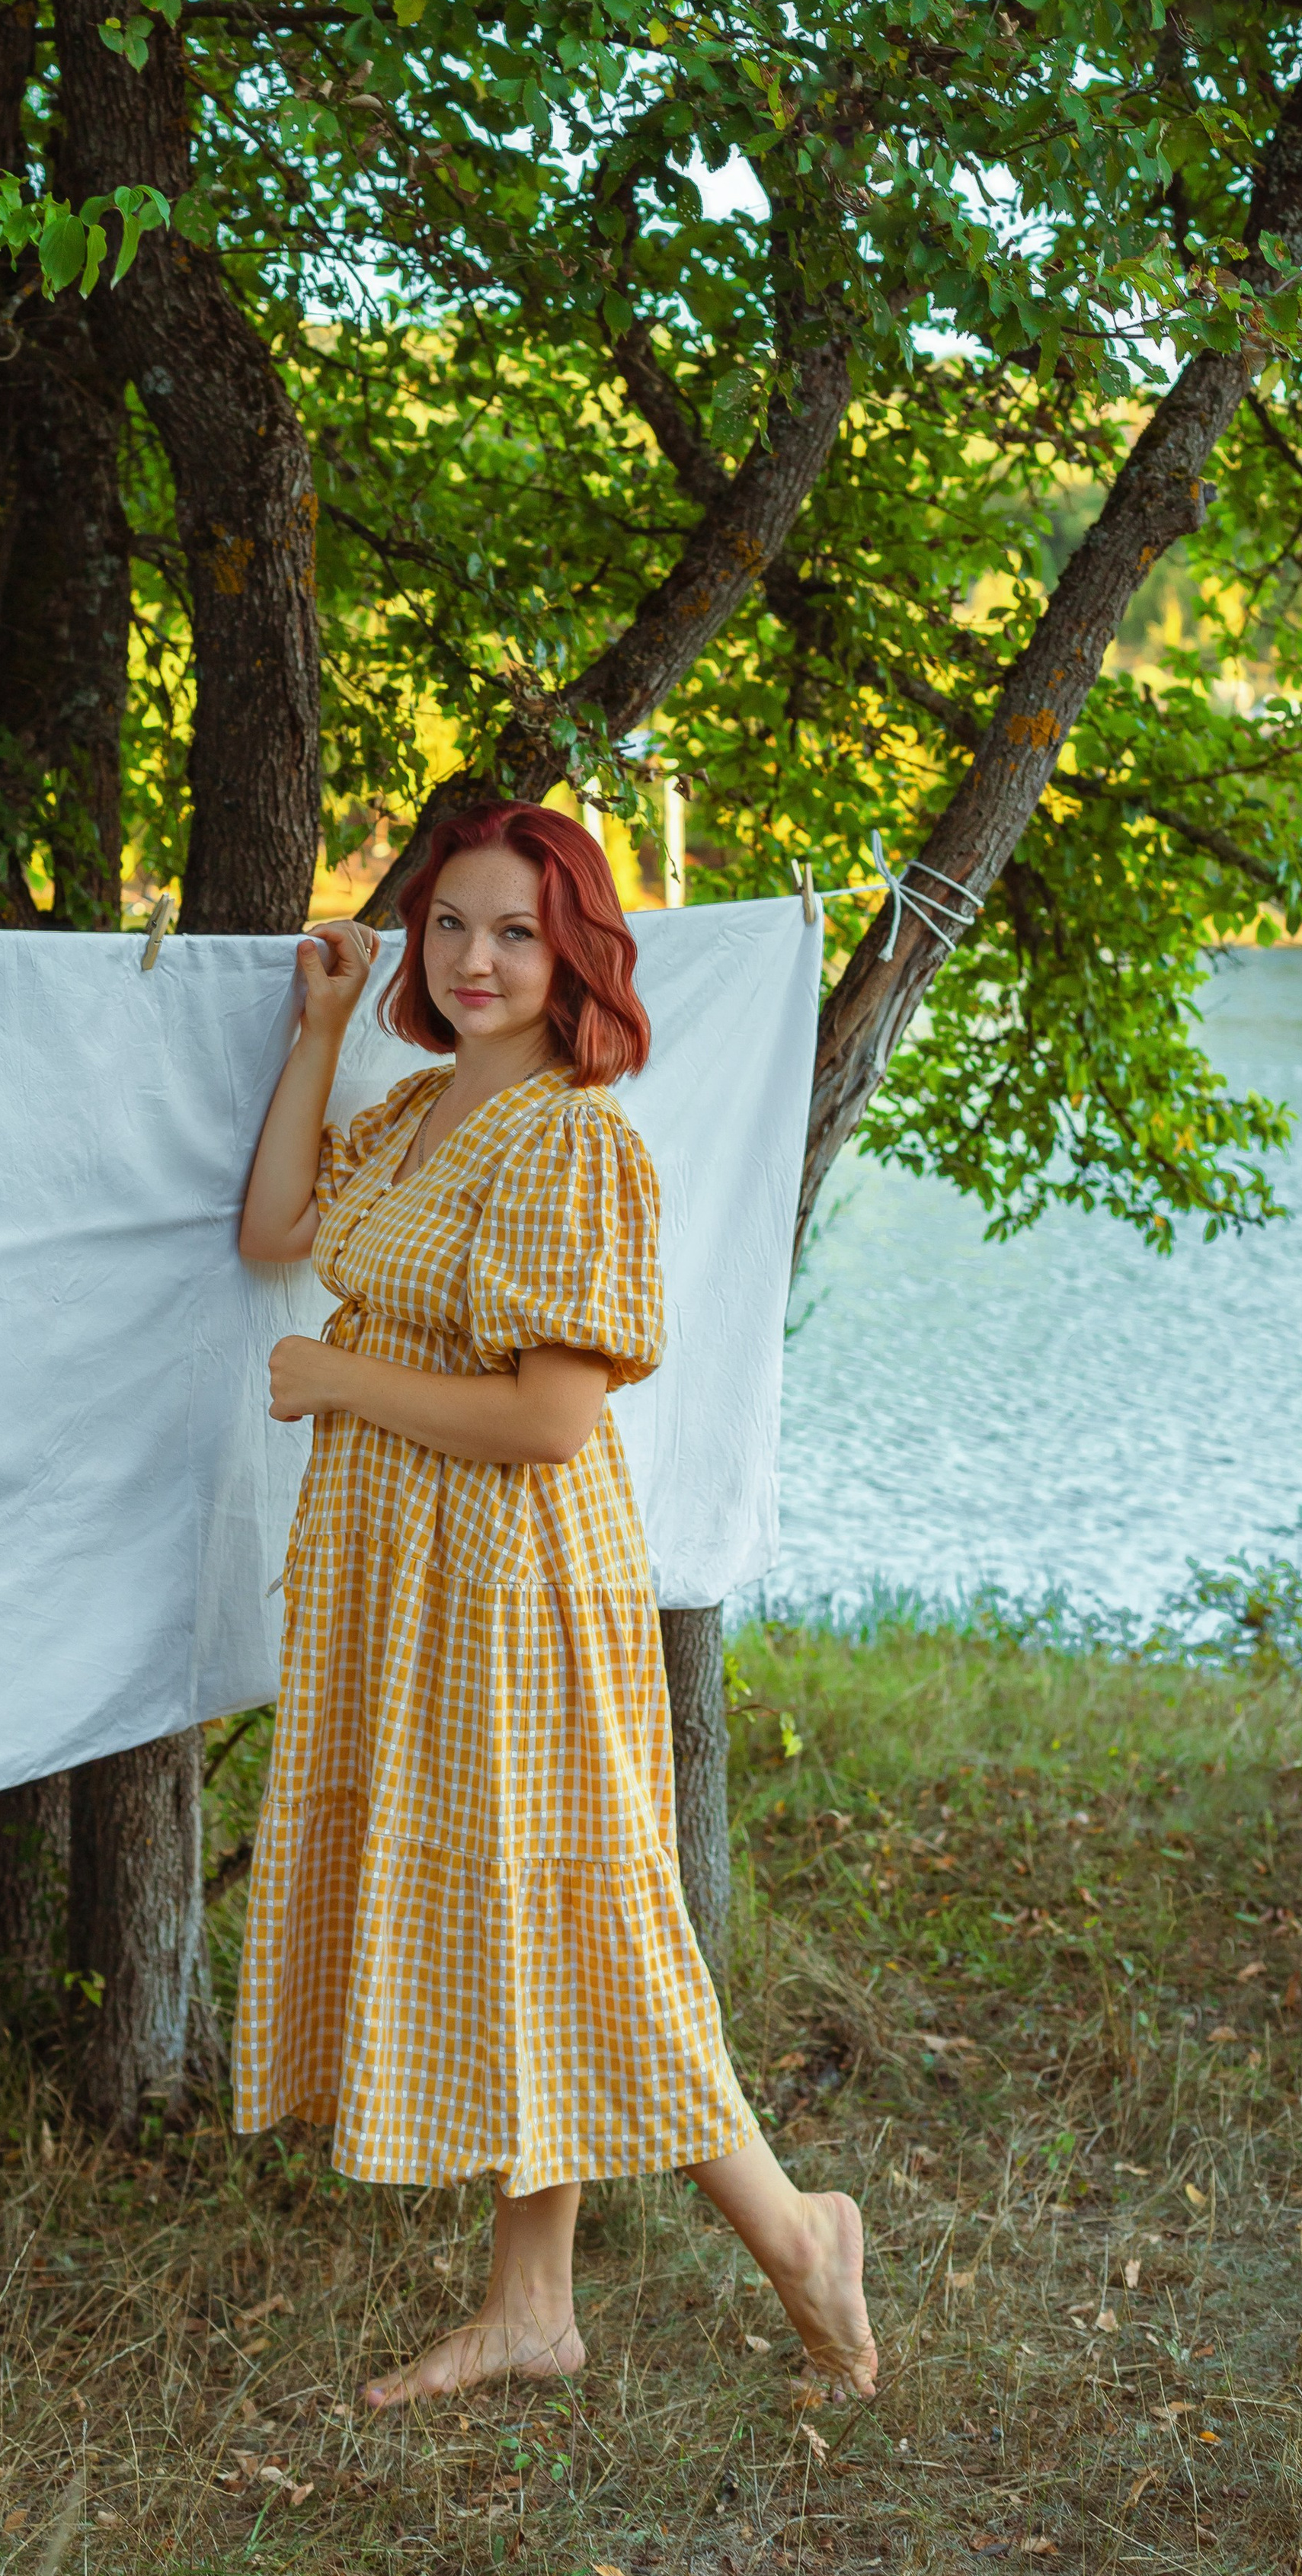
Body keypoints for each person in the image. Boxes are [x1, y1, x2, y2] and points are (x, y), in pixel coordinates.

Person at [234, 800, 879, 2409]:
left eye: (513, 931)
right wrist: (319, 1029)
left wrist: (339, 1381)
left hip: (518, 1574)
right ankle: (532, 2309)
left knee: (589, 1921)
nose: (471, 959)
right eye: (449, 923)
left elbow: (547, 1422)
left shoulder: (575, 1140)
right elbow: (272, 1232)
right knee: (518, 1918)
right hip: (407, 1568)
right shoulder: (413, 1121)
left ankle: (800, 2236)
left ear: (573, 951)